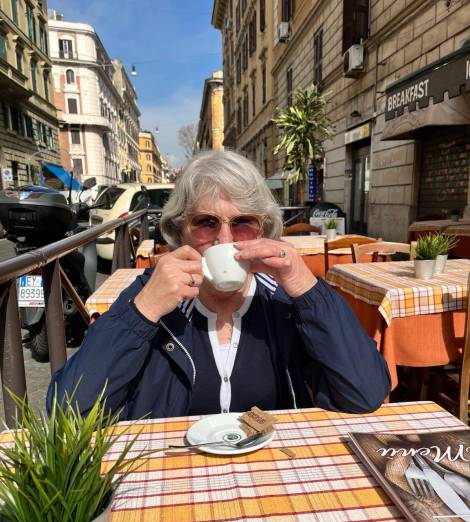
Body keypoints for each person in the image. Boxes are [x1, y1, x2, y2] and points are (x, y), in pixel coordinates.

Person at [47, 150, 390, 420]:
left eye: (243, 223)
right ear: (179, 230)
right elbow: (67, 411)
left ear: (263, 230)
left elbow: (365, 395)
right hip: (173, 475)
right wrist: (143, 312)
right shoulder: (151, 297)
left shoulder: (283, 303)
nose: (225, 239)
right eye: (206, 222)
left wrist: (306, 287)